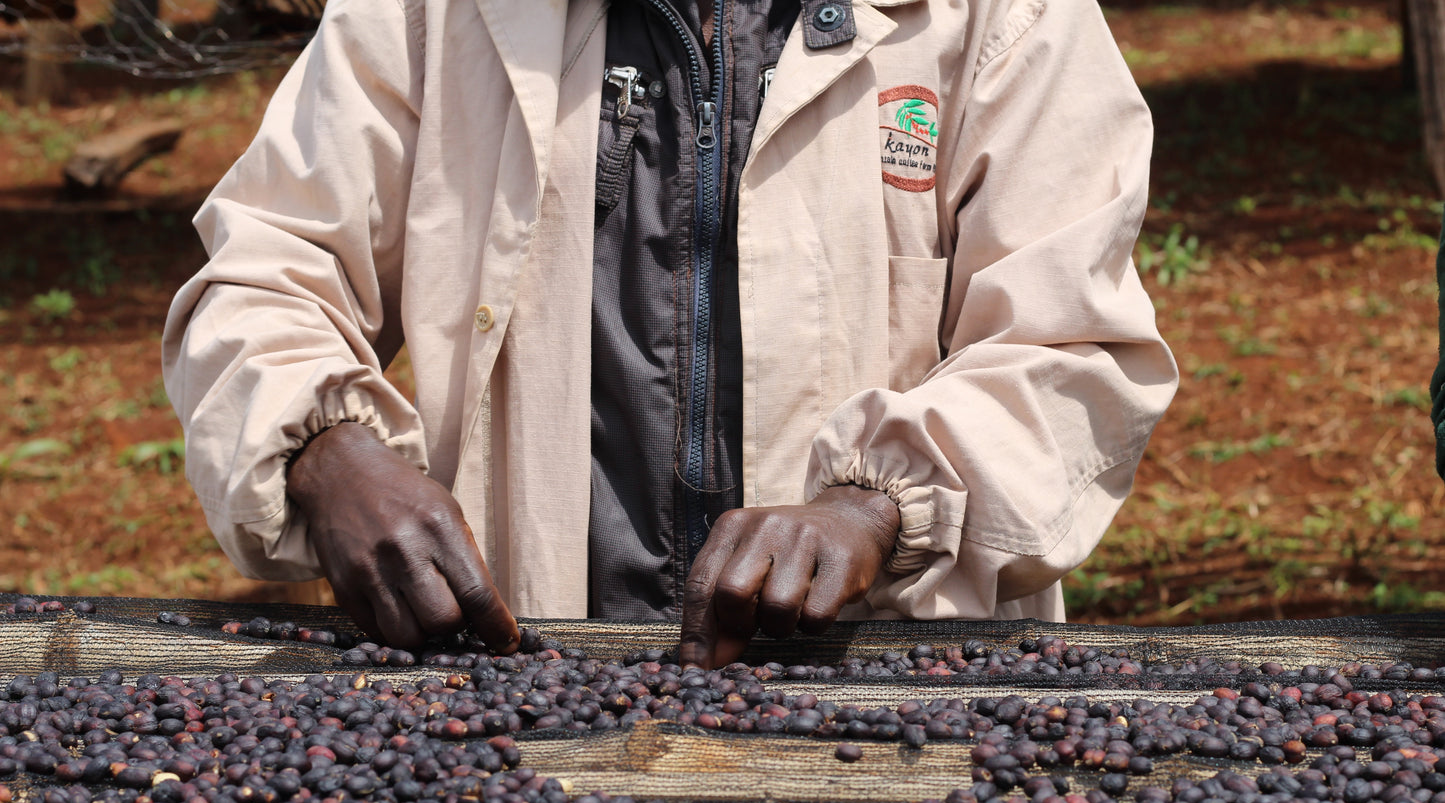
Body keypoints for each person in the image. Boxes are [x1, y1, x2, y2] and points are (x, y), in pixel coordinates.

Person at [162, 0, 1177, 668]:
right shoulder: (427, 15)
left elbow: (1069, 348)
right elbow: (264, 276)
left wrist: (874, 511)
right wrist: (324, 449)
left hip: (888, 701)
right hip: (524, 699)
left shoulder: (1003, 17)